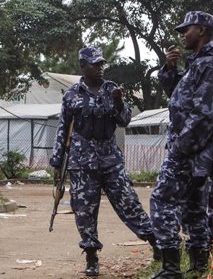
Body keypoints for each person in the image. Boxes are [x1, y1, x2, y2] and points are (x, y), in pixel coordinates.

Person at [49, 46, 159, 277]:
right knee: (85, 210)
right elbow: (62, 129)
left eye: (101, 64)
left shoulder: (112, 90)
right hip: (81, 160)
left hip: (110, 157)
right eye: (94, 64)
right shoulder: (71, 94)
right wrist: (58, 163)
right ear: (82, 66)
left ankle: (155, 243)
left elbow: (125, 120)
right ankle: (91, 256)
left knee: (128, 201)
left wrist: (119, 103)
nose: (99, 68)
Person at [150, 11, 213, 279]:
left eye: (186, 29)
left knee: (162, 201)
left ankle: (170, 268)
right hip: (193, 152)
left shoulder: (208, 64)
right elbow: (178, 95)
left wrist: (180, 148)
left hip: (189, 151)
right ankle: (199, 266)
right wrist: (169, 69)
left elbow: (204, 114)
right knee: (193, 209)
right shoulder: (196, 63)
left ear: (201, 30)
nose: (182, 35)